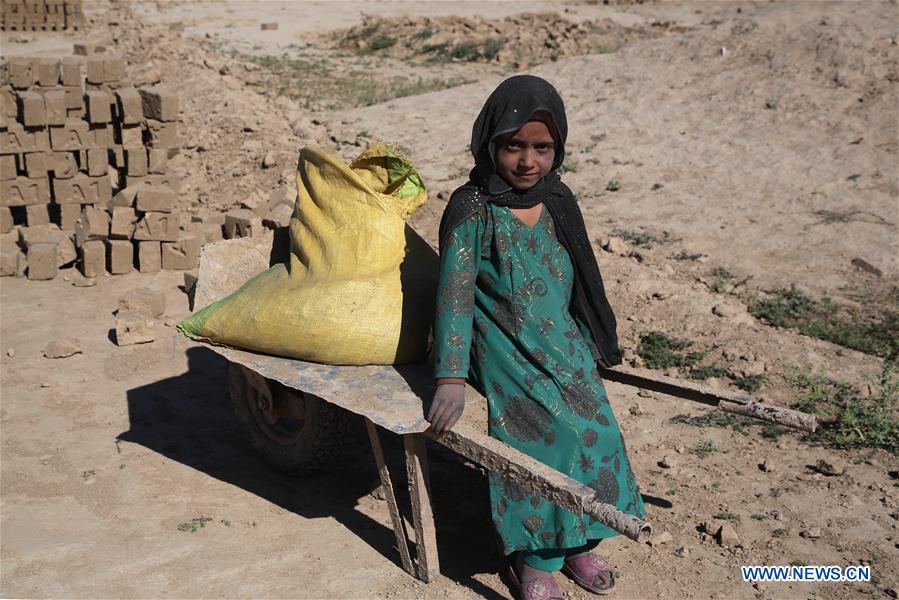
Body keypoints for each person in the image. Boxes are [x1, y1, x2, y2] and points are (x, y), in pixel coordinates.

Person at [427, 75, 645, 600]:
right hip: (500, 343)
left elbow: (580, 280)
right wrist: (451, 376)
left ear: (558, 148)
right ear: (489, 144)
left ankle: (579, 542)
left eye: (542, 148)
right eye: (513, 145)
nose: (528, 161)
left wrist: (592, 341)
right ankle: (535, 560)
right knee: (547, 440)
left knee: (600, 430)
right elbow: (454, 297)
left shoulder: (558, 200)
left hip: (560, 342)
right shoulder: (472, 208)